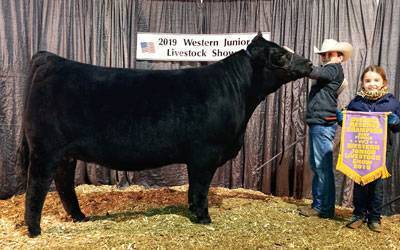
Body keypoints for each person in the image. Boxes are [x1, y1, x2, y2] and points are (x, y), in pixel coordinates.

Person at [337, 65, 400, 232]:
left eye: (376, 80)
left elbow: (398, 126)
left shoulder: (391, 102)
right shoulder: (356, 102)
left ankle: (374, 218)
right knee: (360, 183)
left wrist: (396, 121)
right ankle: (358, 215)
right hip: (360, 150)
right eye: (368, 80)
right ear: (362, 83)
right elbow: (348, 123)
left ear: (383, 82)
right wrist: (342, 119)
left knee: (377, 186)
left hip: (381, 151)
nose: (372, 83)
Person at [299, 39, 353, 218]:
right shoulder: (332, 70)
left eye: (329, 54)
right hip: (320, 122)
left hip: (322, 123)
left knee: (321, 167)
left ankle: (323, 208)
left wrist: (296, 62)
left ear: (339, 57)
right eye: (323, 54)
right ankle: (320, 206)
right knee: (319, 166)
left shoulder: (332, 69)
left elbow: (314, 72)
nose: (325, 57)